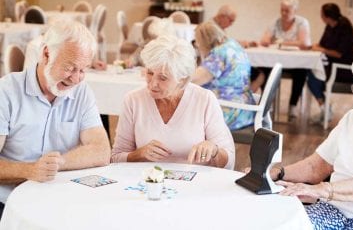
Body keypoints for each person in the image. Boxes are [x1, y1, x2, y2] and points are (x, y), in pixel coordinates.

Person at [270, 49, 353, 229]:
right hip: (333, 208)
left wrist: (323, 189)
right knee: (288, 225)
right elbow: (316, 167)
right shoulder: (351, 119)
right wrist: (276, 173)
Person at [0, 21, 111, 220]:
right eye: (70, 68)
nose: (76, 79)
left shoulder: (82, 92)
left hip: (60, 200)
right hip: (8, 202)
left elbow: (102, 150)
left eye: (83, 69)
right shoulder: (6, 92)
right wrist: (30, 170)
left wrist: (59, 162)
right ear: (46, 54)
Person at [111, 35, 235, 169]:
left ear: (182, 79)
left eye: (163, 78)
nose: (153, 84)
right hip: (147, 184)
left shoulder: (204, 100)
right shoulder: (133, 100)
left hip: (195, 183)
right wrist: (139, 154)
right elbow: (115, 158)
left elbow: (228, 162)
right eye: (150, 73)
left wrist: (213, 150)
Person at [252, 0, 311, 120]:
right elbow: (264, 41)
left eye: (287, 11)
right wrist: (291, 42)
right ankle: (268, 102)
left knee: (302, 72)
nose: (284, 13)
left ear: (295, 11)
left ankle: (293, 105)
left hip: (295, 63)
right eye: (282, 10)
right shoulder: (276, 22)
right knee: (264, 68)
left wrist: (279, 41)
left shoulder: (302, 22)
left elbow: (304, 43)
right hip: (276, 61)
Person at [192, 22, 255, 130]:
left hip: (230, 111)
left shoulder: (219, 54)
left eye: (198, 41)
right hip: (244, 108)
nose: (197, 45)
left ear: (205, 40)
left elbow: (194, 80)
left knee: (183, 116)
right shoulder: (232, 44)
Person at [307, 3, 353, 123]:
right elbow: (323, 44)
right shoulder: (329, 26)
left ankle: (325, 109)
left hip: (342, 69)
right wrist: (313, 46)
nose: (321, 16)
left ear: (328, 16)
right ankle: (325, 109)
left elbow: (339, 54)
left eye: (322, 14)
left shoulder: (345, 29)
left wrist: (321, 49)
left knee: (312, 77)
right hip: (330, 65)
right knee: (309, 72)